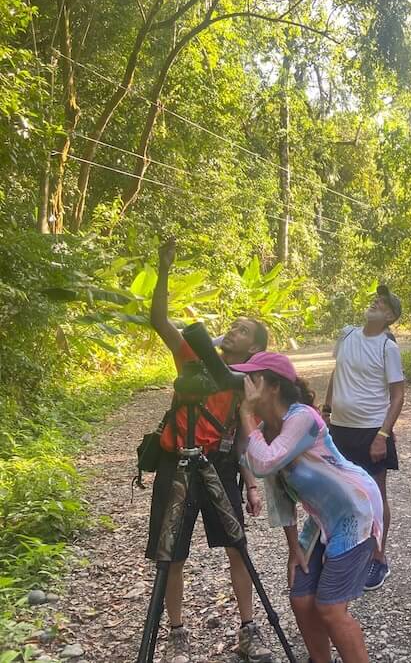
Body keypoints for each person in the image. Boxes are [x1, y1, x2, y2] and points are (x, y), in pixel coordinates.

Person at [146, 239, 272, 663]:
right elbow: (159, 319)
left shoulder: (246, 380)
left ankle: (249, 630)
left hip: (219, 465)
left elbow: (240, 435)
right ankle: (177, 635)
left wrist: (252, 483)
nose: (231, 331)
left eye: (241, 330)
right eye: (232, 325)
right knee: (172, 552)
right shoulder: (193, 359)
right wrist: (163, 270)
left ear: (253, 348)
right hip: (175, 462)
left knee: (238, 548)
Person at [235, 352, 383, 663]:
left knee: (329, 608)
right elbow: (278, 494)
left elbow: (264, 462)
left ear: (274, 387)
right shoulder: (266, 430)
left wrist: (246, 415)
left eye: (252, 379)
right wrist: (293, 548)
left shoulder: (302, 417)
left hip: (356, 510)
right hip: (323, 519)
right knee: (301, 599)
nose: (244, 386)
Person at [321, 284, 404, 591]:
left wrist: (383, 434)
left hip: (371, 430)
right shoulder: (346, 334)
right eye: (375, 299)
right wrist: (327, 410)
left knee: (374, 493)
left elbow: (397, 396)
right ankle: (344, 551)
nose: (375, 304)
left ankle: (378, 559)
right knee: (340, 490)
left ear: (391, 316)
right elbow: (336, 372)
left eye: (383, 304)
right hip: (340, 428)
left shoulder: (388, 347)